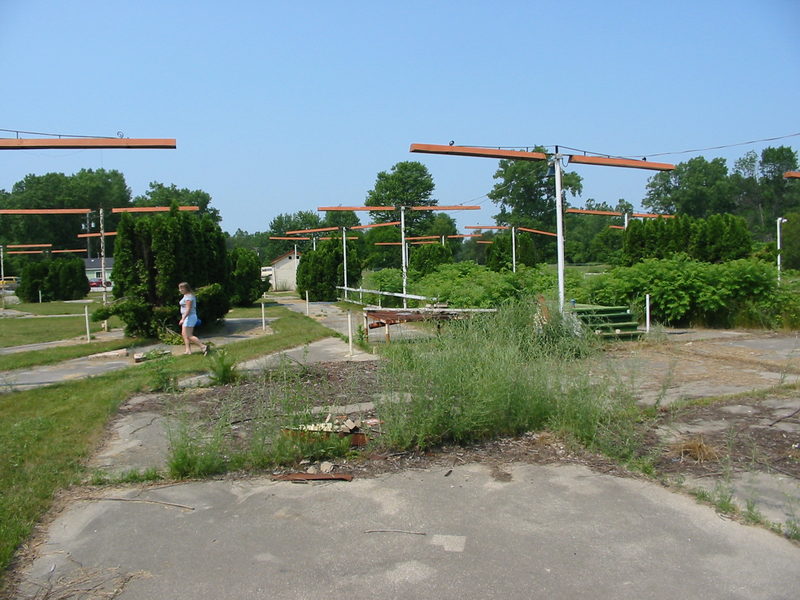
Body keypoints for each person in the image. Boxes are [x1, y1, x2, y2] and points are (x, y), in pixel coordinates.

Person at [178, 282, 208, 355]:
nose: (180, 290)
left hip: (189, 317)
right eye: (179, 288)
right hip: (186, 317)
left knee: (188, 335)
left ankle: (203, 346)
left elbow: (188, 309)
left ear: (186, 288)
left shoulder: (189, 297)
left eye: (182, 288)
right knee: (184, 334)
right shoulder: (186, 296)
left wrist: (183, 319)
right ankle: (188, 350)